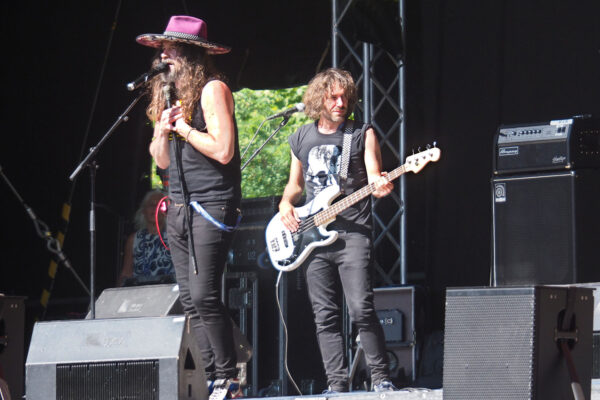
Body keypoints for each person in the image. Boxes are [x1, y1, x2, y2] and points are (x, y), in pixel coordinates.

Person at [140, 15, 242, 397]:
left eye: (170, 48)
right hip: (179, 205)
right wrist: (163, 131)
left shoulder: (213, 89)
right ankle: (212, 376)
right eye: (162, 49)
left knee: (203, 294)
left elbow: (223, 148)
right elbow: (161, 161)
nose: (163, 54)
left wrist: (184, 129)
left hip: (212, 202)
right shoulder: (166, 96)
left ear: (190, 54)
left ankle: (230, 378)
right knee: (189, 300)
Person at [278, 68, 397, 392]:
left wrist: (379, 185)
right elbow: (295, 186)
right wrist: (285, 204)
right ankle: (336, 385)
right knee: (324, 316)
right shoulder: (301, 137)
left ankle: (381, 378)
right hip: (313, 238)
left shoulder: (361, 133)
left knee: (360, 307)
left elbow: (374, 175)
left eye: (345, 97)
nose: (340, 102)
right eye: (333, 97)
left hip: (353, 233)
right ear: (319, 98)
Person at [117, 190, 174, 286]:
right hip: (140, 291)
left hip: (168, 290)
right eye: (151, 205)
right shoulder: (133, 239)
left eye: (159, 205)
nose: (155, 209)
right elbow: (126, 272)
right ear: (143, 210)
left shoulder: (174, 237)